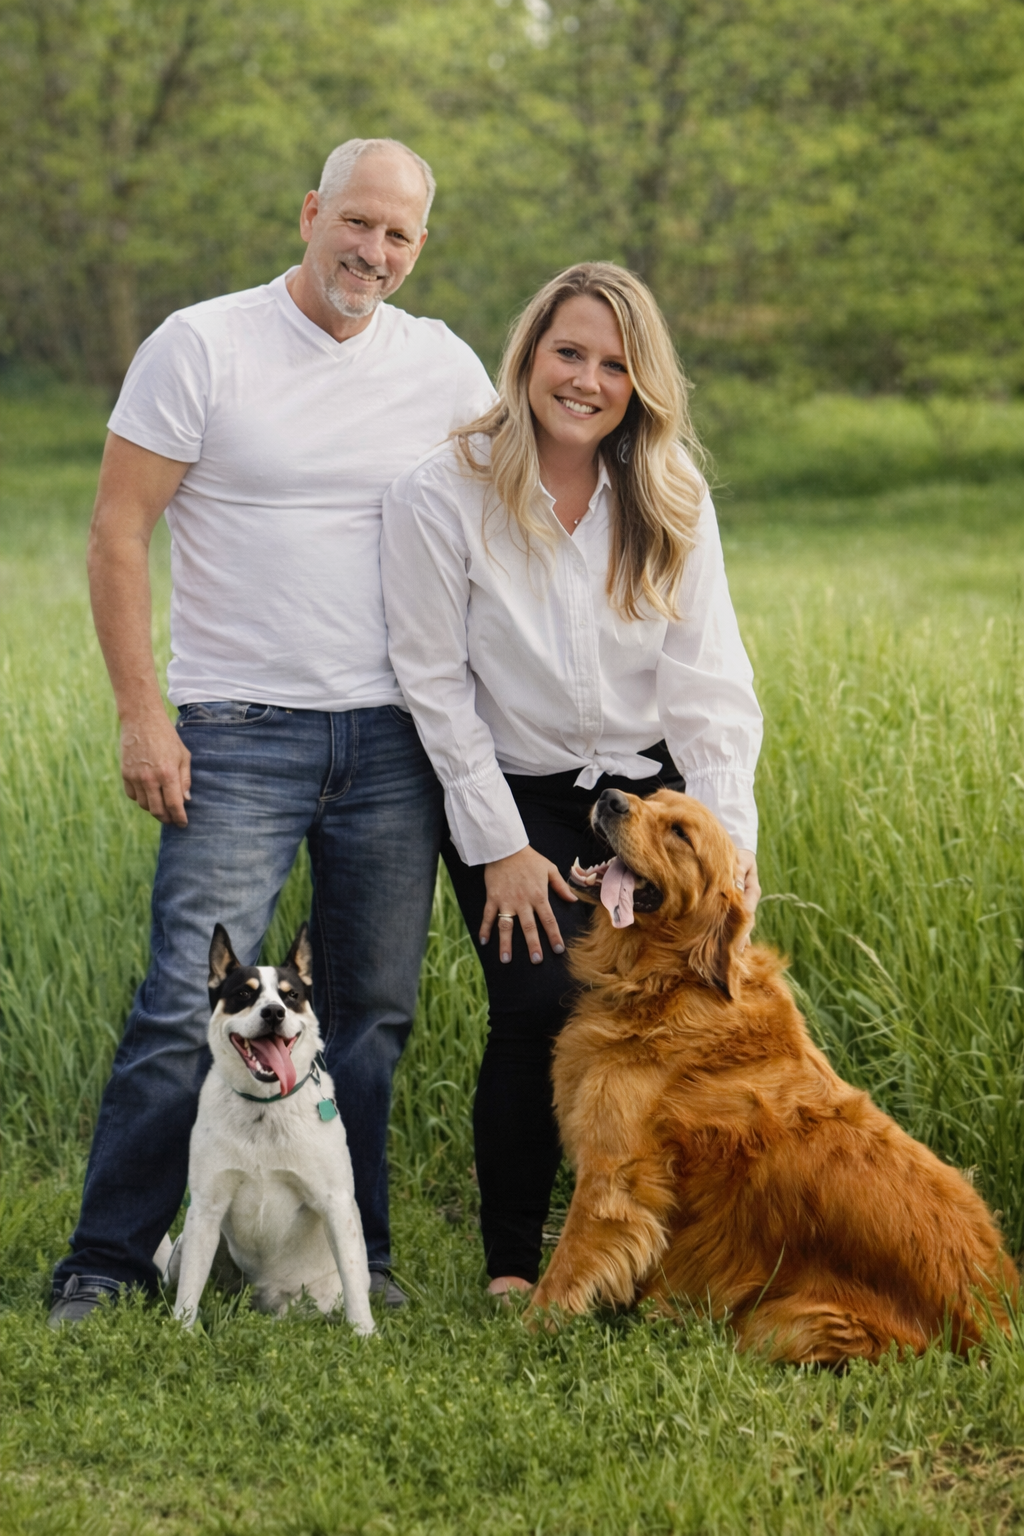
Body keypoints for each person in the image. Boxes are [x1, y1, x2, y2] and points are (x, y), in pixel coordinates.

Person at [49, 138, 495, 1325]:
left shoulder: (442, 365)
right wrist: (145, 715)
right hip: (237, 729)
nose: (374, 252)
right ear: (311, 213)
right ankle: (103, 1263)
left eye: (400, 235)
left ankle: (353, 1261)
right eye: (357, 223)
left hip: (392, 739)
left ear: (419, 247)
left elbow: (510, 513)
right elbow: (117, 531)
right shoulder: (203, 344)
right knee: (173, 1007)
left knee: (372, 1009)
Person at [381, 262, 763, 1299]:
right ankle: (514, 1264)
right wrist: (500, 845)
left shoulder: (670, 493)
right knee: (539, 1003)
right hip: (520, 792)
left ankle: (659, 1255)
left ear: (640, 381)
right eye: (568, 353)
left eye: (614, 363)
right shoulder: (442, 492)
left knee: (678, 1016)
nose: (587, 380)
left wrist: (729, 848)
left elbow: (709, 685)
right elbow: (433, 685)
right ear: (528, 356)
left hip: (653, 796)